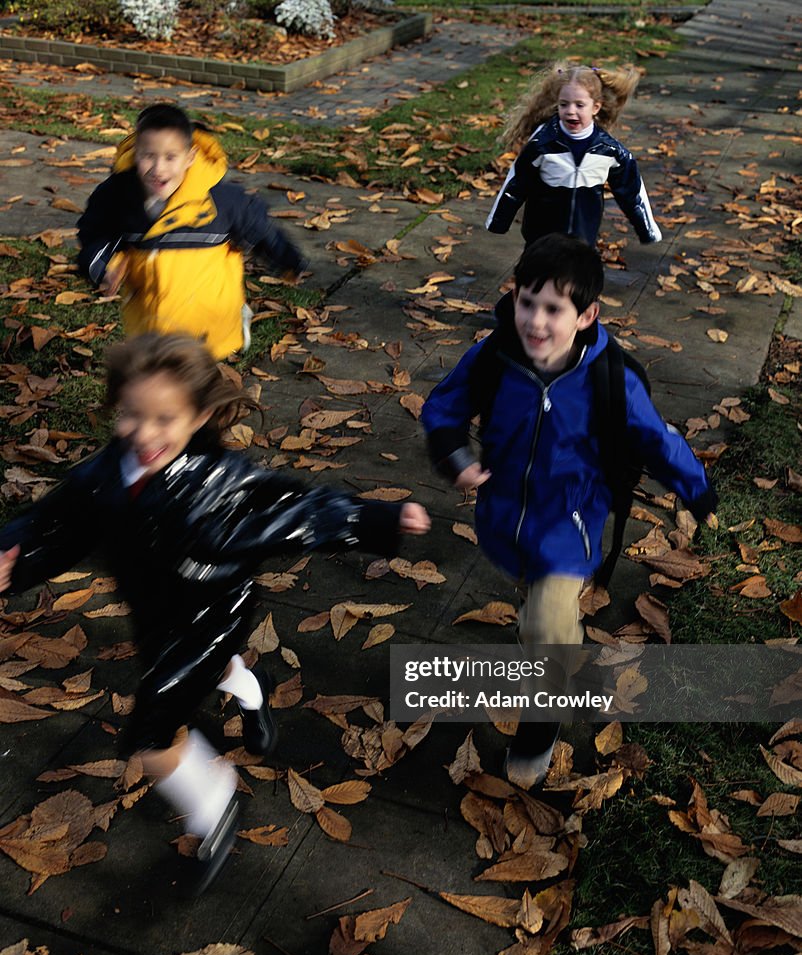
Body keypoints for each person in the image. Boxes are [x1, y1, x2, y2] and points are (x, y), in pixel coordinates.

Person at [0, 333, 430, 892]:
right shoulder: (106, 473)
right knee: (213, 670)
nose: (144, 434)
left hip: (212, 612)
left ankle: (214, 798)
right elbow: (56, 525)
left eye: (164, 419)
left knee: (152, 734)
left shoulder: (220, 480)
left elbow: (294, 509)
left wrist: (373, 520)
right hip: (154, 607)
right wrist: (16, 553)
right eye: (131, 414)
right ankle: (251, 690)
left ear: (199, 415)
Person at [421, 234, 715, 789]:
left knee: (551, 625)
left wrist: (697, 489)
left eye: (553, 309)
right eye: (526, 301)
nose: (534, 320)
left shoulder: (611, 380)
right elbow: (444, 405)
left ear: (586, 316)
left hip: (569, 524)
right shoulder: (494, 357)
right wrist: (453, 453)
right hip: (504, 517)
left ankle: (539, 726)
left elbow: (658, 440)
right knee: (532, 601)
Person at [77, 103, 305, 360]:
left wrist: (287, 260)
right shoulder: (118, 196)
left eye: (170, 157)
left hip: (207, 327)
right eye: (148, 156)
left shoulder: (223, 201)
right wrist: (103, 263)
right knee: (156, 389)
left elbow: (260, 229)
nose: (158, 169)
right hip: (150, 325)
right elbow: (94, 231)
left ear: (191, 157)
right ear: (135, 154)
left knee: (193, 390)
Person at [486, 63, 662, 250]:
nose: (570, 111)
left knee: (580, 277)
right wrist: (499, 221)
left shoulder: (608, 150)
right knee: (538, 277)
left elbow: (632, 191)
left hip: (583, 241)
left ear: (595, 107)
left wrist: (647, 229)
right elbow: (516, 183)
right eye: (564, 104)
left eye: (579, 105)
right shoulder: (543, 144)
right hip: (542, 240)